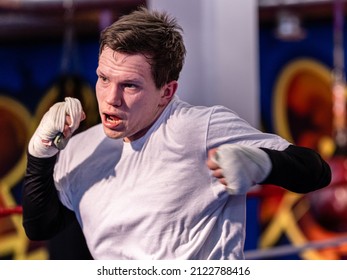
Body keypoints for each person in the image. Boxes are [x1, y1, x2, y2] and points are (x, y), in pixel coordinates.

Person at [22, 7, 331, 260]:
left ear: (166, 92)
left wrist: (265, 164)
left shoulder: (198, 128)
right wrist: (40, 153)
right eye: (104, 78)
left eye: (129, 85)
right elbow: (41, 226)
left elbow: (317, 172)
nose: (111, 98)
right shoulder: (81, 147)